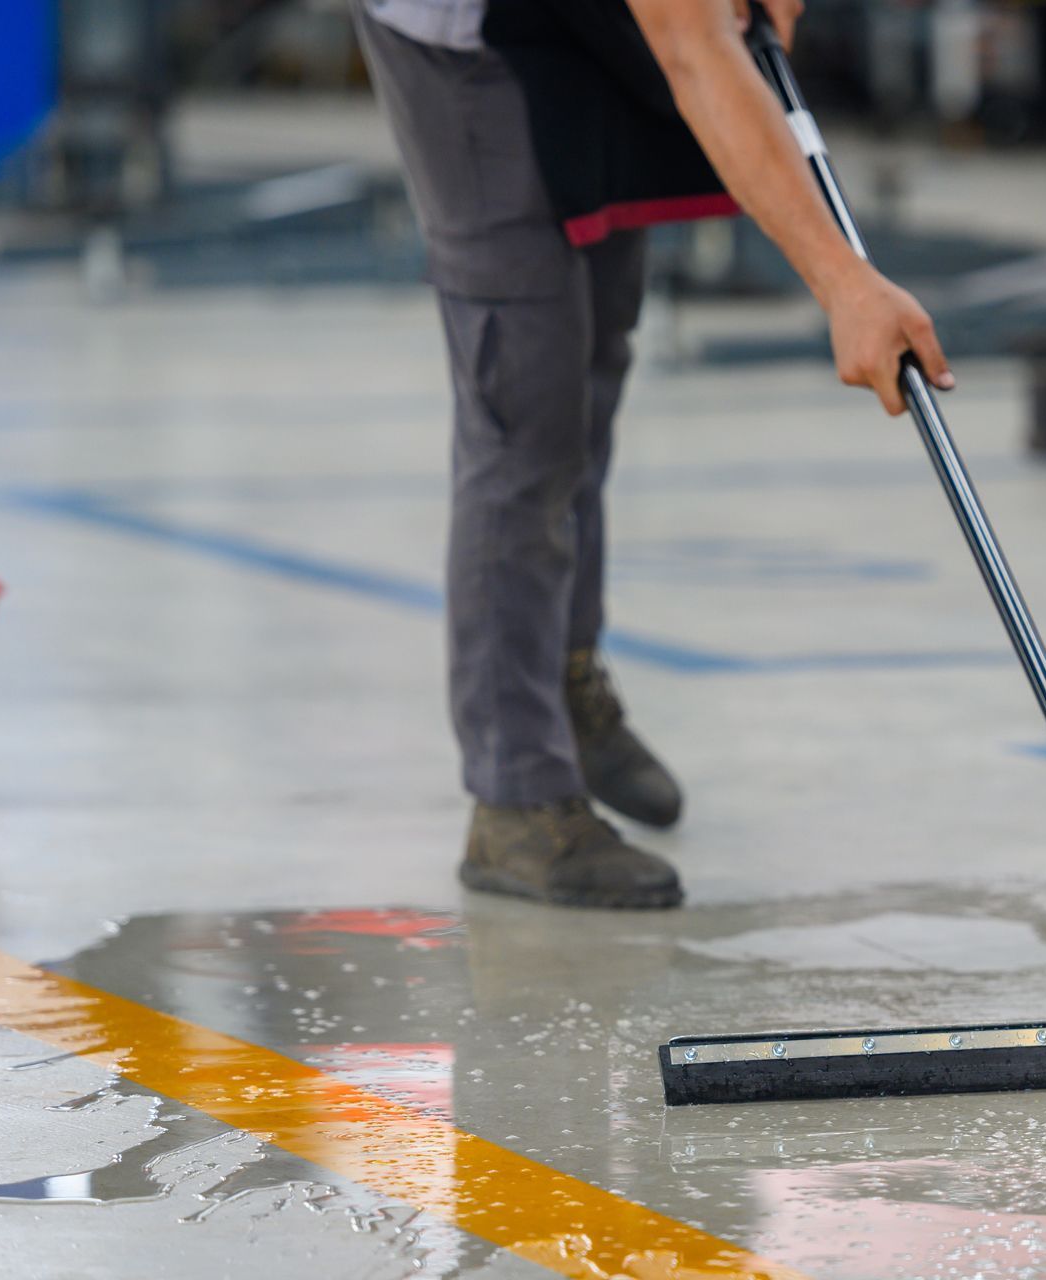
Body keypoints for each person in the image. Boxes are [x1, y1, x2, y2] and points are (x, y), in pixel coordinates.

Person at [352, 0, 952, 910]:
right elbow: (694, 47)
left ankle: (562, 674)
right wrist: (843, 282)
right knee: (526, 407)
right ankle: (514, 793)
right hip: (463, 37)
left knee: (592, 355)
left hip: (582, 24)